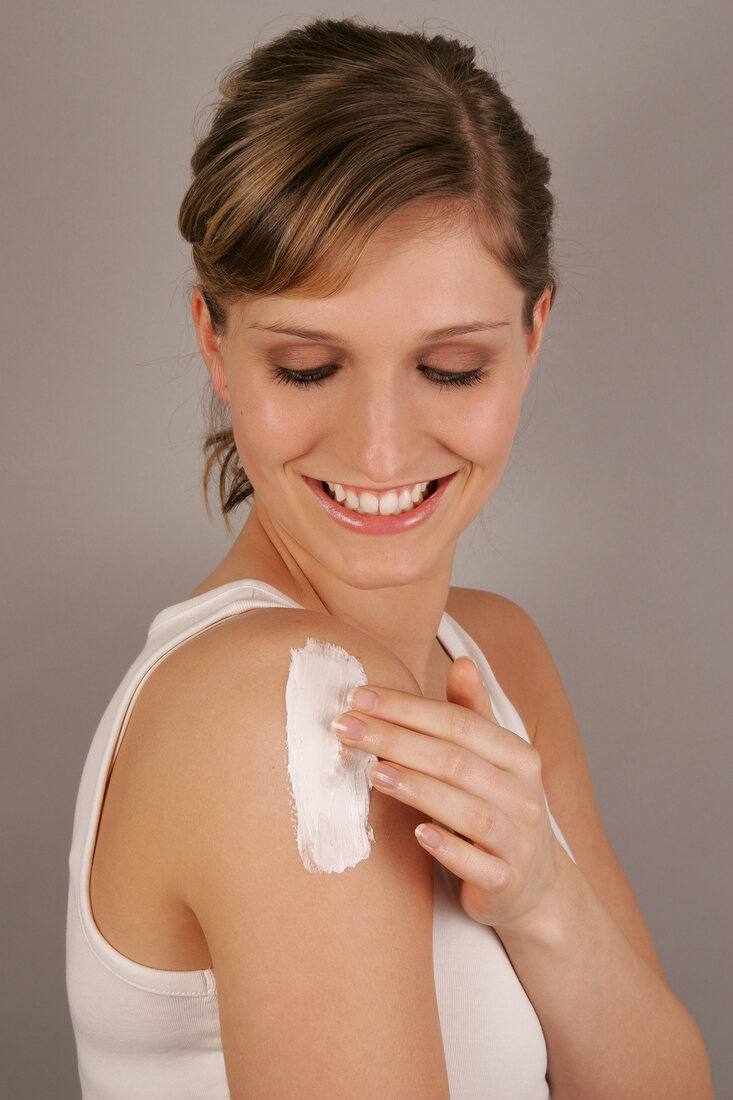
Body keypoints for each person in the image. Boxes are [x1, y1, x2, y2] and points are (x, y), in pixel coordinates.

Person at [65, 16, 712, 1099]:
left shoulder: (497, 654)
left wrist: (544, 897)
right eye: (310, 365)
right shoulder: (269, 704)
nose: (379, 447)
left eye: (450, 368)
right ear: (215, 344)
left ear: (534, 336)